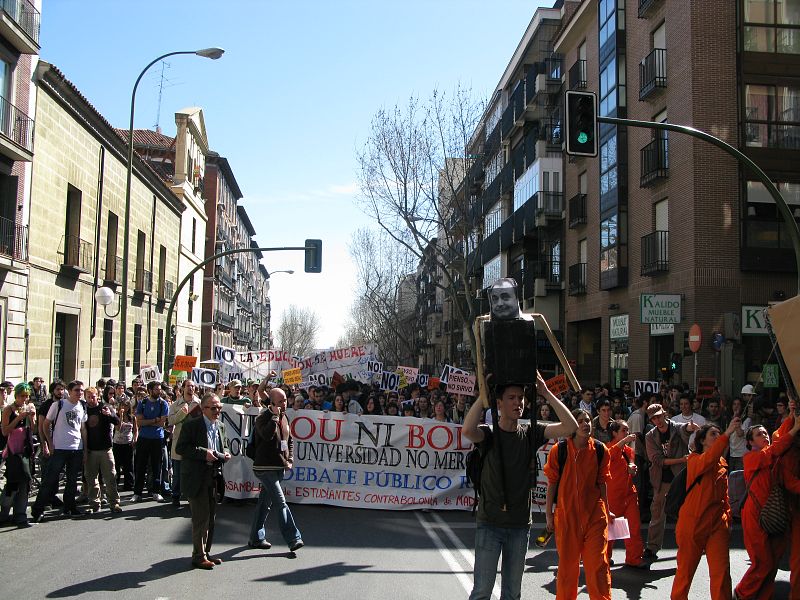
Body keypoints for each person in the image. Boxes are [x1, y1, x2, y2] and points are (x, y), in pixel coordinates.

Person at [462, 373, 577, 600]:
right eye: (512, 398)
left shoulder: (531, 433)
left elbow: (570, 427)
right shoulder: (488, 434)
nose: (518, 402)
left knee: (512, 594)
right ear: (499, 404)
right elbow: (467, 431)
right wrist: (482, 394)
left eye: (521, 398)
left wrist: (546, 393)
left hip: (519, 527)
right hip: (490, 525)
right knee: (482, 591)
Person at [544, 409, 612, 599]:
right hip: (567, 518)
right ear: (573, 425)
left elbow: (602, 483)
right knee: (567, 569)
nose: (585, 424)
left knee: (598, 565)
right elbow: (552, 483)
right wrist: (549, 514)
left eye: (588, 420)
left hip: (595, 518)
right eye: (580, 420)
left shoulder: (600, 450)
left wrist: (607, 511)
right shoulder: (560, 450)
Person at [671, 419, 740, 600]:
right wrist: (726, 435)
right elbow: (709, 458)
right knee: (685, 572)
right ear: (702, 441)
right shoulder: (694, 460)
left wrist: (728, 520)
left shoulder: (722, 462)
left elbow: (724, 496)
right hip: (693, 523)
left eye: (718, 433)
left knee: (722, 572)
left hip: (717, 524)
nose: (717, 437)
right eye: (713, 434)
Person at [734, 418, 800, 600]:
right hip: (755, 515)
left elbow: (792, 483)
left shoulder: (775, 460)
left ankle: (764, 596)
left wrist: (792, 415)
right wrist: (794, 429)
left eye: (765, 433)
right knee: (763, 562)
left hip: (776, 515)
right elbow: (775, 450)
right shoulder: (750, 458)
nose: (764, 436)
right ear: (750, 443)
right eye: (758, 434)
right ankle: (741, 594)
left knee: (773, 562)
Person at [175, 392, 230, 570]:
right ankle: (198, 556)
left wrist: (225, 453)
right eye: (213, 408)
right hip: (196, 476)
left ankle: (205, 552)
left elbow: (224, 444)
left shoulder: (220, 426)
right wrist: (203, 453)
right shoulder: (192, 426)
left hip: (214, 476)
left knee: (211, 518)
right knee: (201, 518)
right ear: (204, 409)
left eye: (219, 407)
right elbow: (181, 448)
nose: (217, 411)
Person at [248, 387, 304, 553]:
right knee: (281, 502)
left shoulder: (285, 417)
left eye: (285, 400)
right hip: (264, 468)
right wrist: (273, 416)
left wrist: (290, 459)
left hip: (279, 467)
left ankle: (255, 538)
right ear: (271, 403)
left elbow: (290, 440)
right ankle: (293, 538)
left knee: (264, 504)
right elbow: (266, 435)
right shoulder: (262, 418)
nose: (284, 404)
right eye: (280, 402)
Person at [642, 403, 699, 564]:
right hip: (662, 480)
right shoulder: (650, 436)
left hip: (681, 478)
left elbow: (685, 429)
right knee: (657, 514)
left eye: (659, 416)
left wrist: (690, 427)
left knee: (687, 513)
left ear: (664, 414)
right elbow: (657, 460)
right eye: (653, 418)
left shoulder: (676, 427)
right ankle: (652, 547)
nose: (657, 420)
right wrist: (681, 460)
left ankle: (694, 545)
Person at [31, 380, 88, 521]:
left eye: (81, 390)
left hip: (76, 448)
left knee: (72, 481)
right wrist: (49, 443)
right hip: (60, 448)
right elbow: (45, 424)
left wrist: (85, 449)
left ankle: (70, 507)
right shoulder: (58, 405)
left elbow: (83, 429)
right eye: (76, 390)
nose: (79, 393)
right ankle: (37, 509)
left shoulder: (82, 406)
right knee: (50, 479)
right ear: (69, 391)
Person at [605, 420, 645, 568]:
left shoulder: (629, 450)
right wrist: (624, 441)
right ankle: (605, 557)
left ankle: (634, 558)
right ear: (614, 433)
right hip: (613, 495)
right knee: (611, 530)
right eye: (623, 430)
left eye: (627, 430)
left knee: (634, 527)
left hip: (629, 493)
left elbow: (631, 466)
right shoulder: (607, 448)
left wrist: (632, 468)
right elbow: (610, 455)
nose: (627, 433)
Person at [0, 383, 36, 526]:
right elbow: (5, 431)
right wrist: (18, 417)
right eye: (22, 396)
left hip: (25, 449)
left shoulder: (28, 407)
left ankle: (20, 515)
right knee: (13, 483)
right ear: (16, 395)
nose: (25, 399)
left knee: (25, 482)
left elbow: (32, 429)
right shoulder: (9, 410)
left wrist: (32, 417)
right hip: (13, 450)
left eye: (27, 396)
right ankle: (4, 513)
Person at [83, 386, 121, 513]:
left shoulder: (105, 408)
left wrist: (110, 415)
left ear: (97, 396)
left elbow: (117, 421)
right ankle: (94, 504)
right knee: (91, 478)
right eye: (88, 397)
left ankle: (114, 503)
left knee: (110, 477)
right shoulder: (84, 410)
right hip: (91, 450)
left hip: (106, 449)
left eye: (93, 396)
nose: (91, 399)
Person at [133, 381, 169, 503]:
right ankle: (137, 493)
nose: (159, 391)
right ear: (150, 390)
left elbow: (162, 423)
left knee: (157, 466)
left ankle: (156, 491)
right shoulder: (142, 403)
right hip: (143, 438)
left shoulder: (163, 404)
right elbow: (139, 422)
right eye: (156, 389)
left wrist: (148, 421)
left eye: (159, 389)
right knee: (140, 466)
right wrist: (154, 420)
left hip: (157, 438)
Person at [168, 379, 202, 507]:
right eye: (188, 386)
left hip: (194, 442)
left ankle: (190, 496)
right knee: (178, 473)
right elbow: (171, 421)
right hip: (179, 442)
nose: (191, 388)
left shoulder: (199, 403)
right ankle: (175, 496)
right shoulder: (176, 404)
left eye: (193, 386)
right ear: (183, 388)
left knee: (192, 472)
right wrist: (182, 413)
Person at [112, 399, 137, 491]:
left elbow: (135, 430)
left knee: (129, 465)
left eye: (126, 405)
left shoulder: (132, 417)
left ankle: (129, 484)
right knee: (116, 465)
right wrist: (121, 416)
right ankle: (115, 483)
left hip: (128, 443)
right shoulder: (116, 416)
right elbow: (118, 428)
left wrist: (135, 439)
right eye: (122, 405)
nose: (124, 407)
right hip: (118, 443)